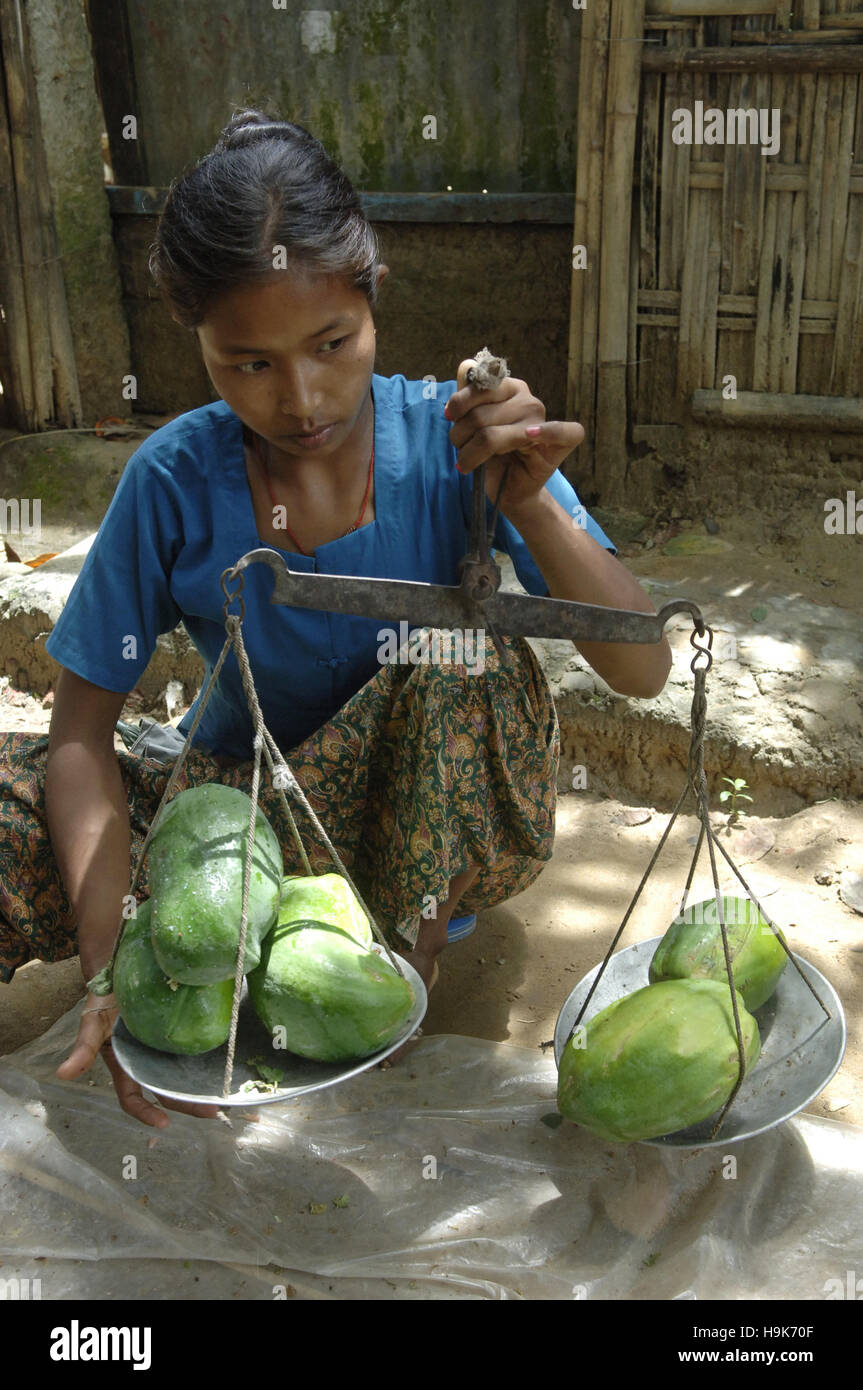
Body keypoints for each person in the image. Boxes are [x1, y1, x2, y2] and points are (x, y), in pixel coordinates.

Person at [0, 110, 672, 1129]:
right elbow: (82, 738)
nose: (301, 396)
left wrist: (527, 495)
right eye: (247, 363)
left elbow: (644, 668)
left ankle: (396, 964)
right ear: (198, 343)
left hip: (421, 826)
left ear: (373, 293)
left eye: (331, 344)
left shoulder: (454, 443)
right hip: (243, 825)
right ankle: (242, 964)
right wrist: (112, 970)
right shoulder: (174, 480)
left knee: (463, 652)